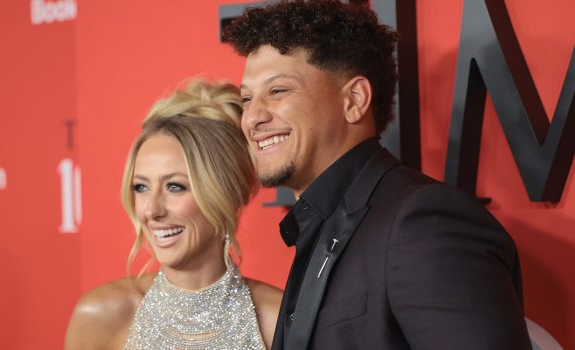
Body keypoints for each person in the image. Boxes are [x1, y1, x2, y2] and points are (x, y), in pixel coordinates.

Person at [224, 1, 532, 349]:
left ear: (354, 99)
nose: (252, 118)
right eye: (246, 99)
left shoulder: (422, 222)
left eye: (277, 91)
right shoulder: (320, 227)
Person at [64, 80, 282, 349]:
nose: (151, 210)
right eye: (141, 187)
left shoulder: (276, 320)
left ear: (225, 194)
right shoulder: (101, 316)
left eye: (174, 186)